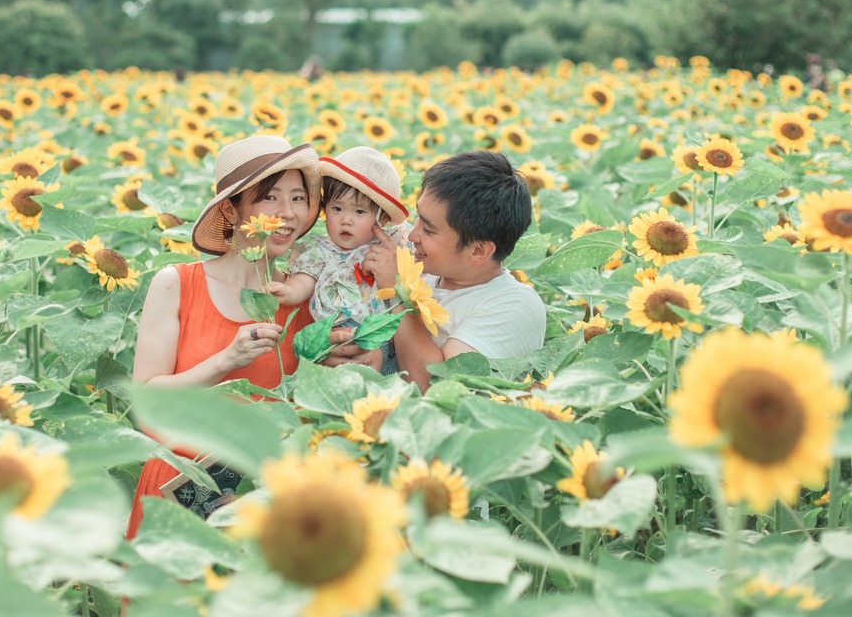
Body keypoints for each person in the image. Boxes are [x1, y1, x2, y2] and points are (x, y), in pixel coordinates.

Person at [125, 135, 322, 536]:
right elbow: (145, 402)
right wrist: (226, 360)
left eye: (298, 198)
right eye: (270, 198)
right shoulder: (177, 284)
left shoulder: (303, 296)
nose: (287, 213)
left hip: (267, 495)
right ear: (232, 209)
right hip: (179, 487)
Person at [326, 151, 546, 391]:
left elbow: (434, 388)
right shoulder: (423, 265)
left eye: (429, 230)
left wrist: (396, 290)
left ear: (478, 251)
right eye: (418, 218)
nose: (412, 235)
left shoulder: (515, 306)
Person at [268, 147, 412, 371]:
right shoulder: (319, 250)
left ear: (382, 218)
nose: (346, 220)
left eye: (359, 212)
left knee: (382, 377)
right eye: (337, 208)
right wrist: (288, 291)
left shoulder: (389, 249)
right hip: (333, 333)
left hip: (381, 334)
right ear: (324, 209)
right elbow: (305, 280)